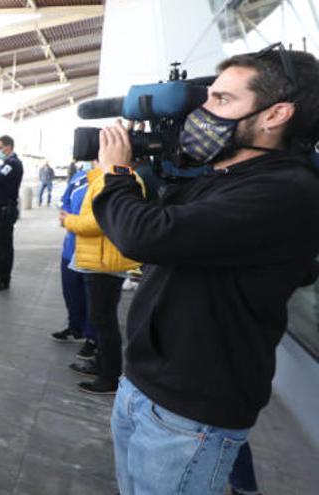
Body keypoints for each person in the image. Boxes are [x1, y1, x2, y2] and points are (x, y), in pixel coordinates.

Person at [91, 46, 319, 494]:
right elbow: (168, 224)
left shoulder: (286, 192)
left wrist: (115, 173)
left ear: (276, 115)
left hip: (189, 413)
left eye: (222, 101)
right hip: (146, 389)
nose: (204, 113)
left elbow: (145, 235)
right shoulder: (228, 177)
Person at [60, 162, 143, 394]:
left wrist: (68, 220)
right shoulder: (104, 178)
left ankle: (109, 376)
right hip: (98, 258)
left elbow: (97, 221)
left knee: (104, 320)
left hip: (105, 262)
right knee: (100, 318)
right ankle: (101, 363)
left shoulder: (119, 179)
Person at [50, 163, 98, 363]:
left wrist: (73, 221)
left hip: (94, 252)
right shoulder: (79, 176)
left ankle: (92, 338)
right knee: (71, 291)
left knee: (93, 299)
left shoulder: (111, 178)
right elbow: (65, 202)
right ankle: (75, 326)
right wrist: (67, 216)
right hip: (71, 247)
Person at [0, 135, 24, 292]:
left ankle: (5, 279)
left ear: (8, 147)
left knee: (5, 246)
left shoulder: (13, 164)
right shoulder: (7, 163)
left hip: (5, 210)